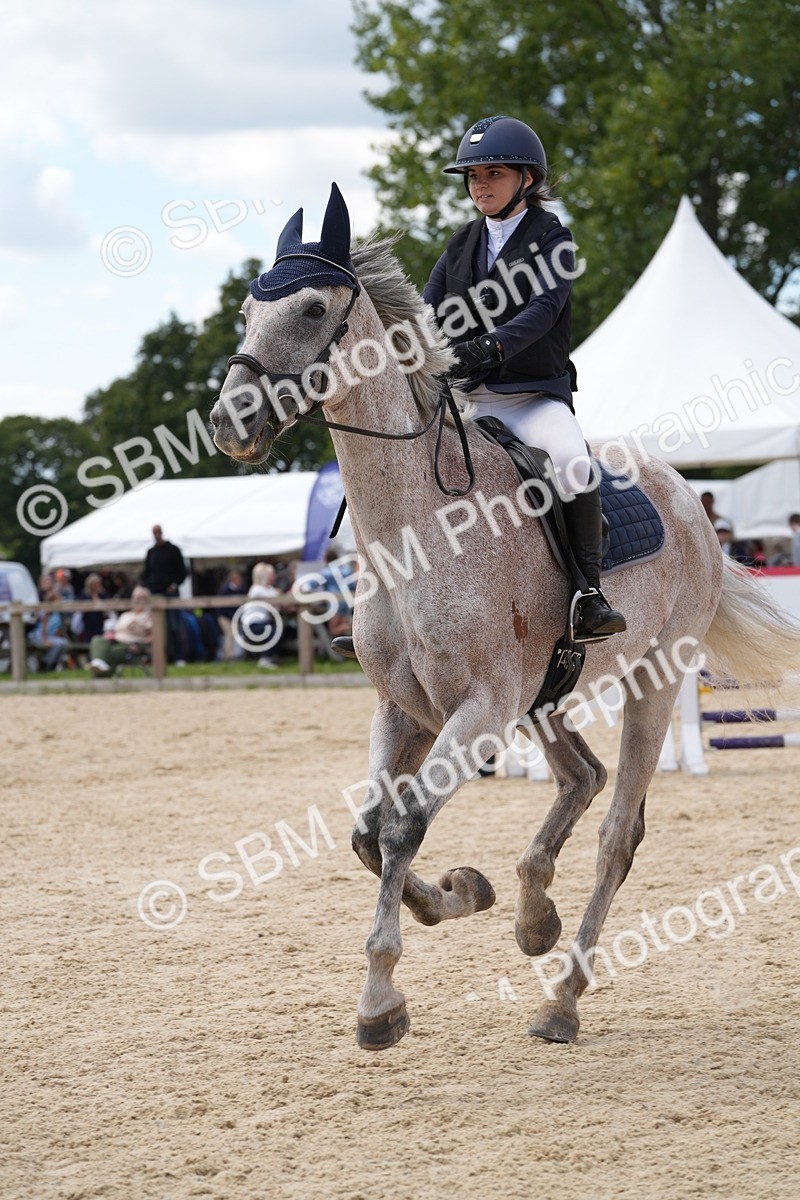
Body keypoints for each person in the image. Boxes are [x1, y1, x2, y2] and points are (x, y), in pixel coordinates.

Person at [141, 524, 187, 663]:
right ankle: (162, 658)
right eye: (154, 533)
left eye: (158, 532)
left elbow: (182, 572)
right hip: (156, 594)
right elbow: (146, 573)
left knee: (174, 626)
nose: (157, 535)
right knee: (158, 628)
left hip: (170, 594)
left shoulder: (173, 550)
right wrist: (148, 587)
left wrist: (174, 585)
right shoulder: (151, 552)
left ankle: (178, 657)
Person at [88, 586, 152, 677]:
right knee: (97, 640)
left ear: (146, 600)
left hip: (130, 645)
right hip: (114, 641)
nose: (137, 600)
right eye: (135, 597)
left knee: (109, 653)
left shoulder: (148, 616)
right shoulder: (126, 615)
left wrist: (140, 647)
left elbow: (152, 637)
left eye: (140, 597)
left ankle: (100, 673)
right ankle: (98, 663)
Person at [29, 587, 69, 671]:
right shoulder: (47, 610)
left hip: (51, 636)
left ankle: (53, 663)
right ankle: (45, 664)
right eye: (57, 599)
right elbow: (44, 625)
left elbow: (57, 628)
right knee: (58, 644)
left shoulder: (57, 612)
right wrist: (45, 640)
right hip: (40, 636)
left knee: (64, 643)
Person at [217, 569, 245, 661]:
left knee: (233, 635)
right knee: (229, 634)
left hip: (234, 617)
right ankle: (228, 655)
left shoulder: (241, 590)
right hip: (224, 617)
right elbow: (220, 606)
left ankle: (230, 654)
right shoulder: (225, 590)